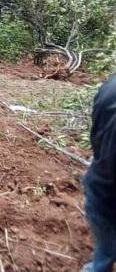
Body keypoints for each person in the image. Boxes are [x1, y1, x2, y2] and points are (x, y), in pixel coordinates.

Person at [81, 75, 116, 272]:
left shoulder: (110, 85)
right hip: (109, 200)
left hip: (97, 191)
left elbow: (96, 138)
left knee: (104, 255)